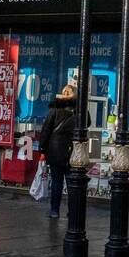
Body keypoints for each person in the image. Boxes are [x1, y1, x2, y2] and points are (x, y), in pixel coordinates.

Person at [37, 83, 86, 219]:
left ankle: (54, 210)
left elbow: (46, 129)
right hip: (71, 152)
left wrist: (42, 149)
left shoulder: (57, 109)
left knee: (58, 183)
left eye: (66, 92)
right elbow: (87, 121)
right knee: (71, 183)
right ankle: (72, 211)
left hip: (57, 151)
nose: (65, 95)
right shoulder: (77, 110)